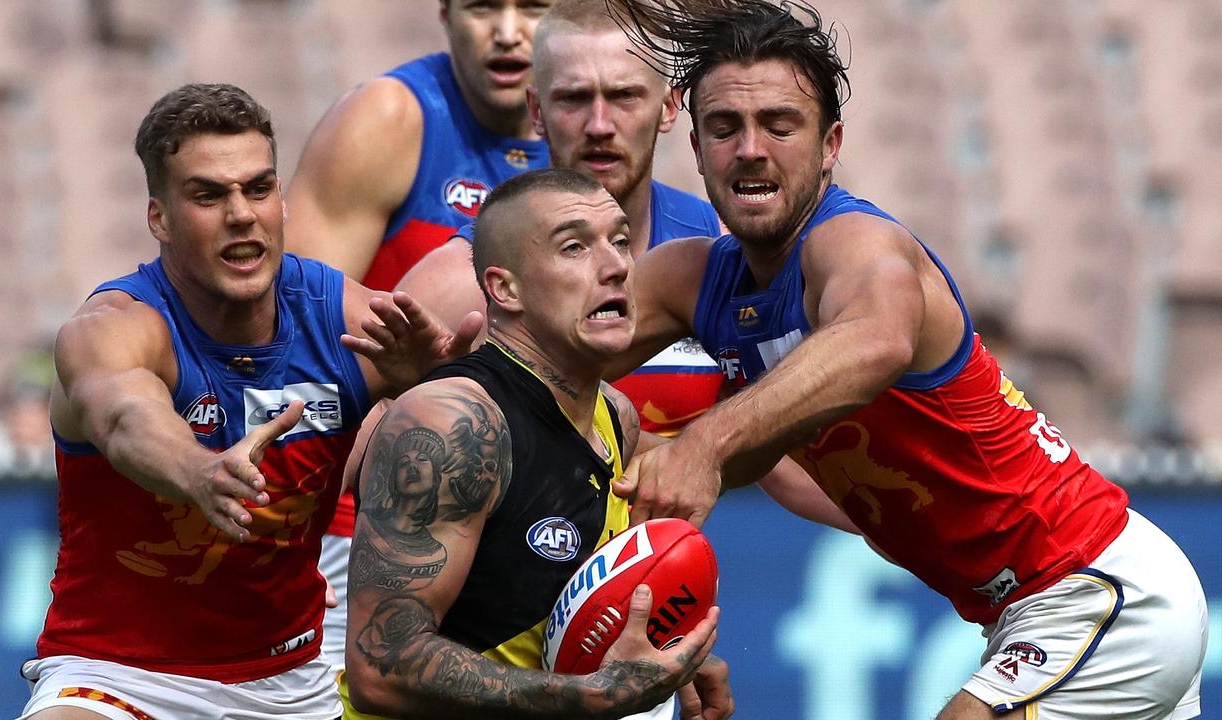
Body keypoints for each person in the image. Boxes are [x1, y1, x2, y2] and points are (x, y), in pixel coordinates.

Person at [594, 1, 1209, 718]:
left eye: (780, 126)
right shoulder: (693, 278)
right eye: (725, 129)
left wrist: (704, 443)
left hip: (1097, 592)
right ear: (696, 150)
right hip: (1043, 609)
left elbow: (875, 340)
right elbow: (550, 357)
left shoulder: (855, 245)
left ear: (830, 145)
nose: (750, 149)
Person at [18, 83, 474, 720]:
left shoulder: (341, 315)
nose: (241, 214)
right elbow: (124, 417)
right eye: (209, 195)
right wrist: (201, 470)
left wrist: (427, 390)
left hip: (291, 682)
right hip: (121, 679)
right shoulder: (114, 328)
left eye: (258, 189)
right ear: (159, 218)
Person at [394, 0, 855, 532]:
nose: (599, 124)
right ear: (537, 110)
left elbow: (787, 462)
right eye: (573, 99)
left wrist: (924, 541)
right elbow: (369, 451)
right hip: (504, 611)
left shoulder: (726, 259)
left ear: (668, 106)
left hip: (657, 605)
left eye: (623, 96)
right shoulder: (460, 281)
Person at [341, 168, 731, 720]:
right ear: (505, 288)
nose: (618, 265)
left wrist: (669, 659)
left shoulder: (615, 417)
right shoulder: (454, 422)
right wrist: (592, 698)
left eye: (621, 241)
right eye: (574, 247)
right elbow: (380, 669)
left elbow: (564, 609)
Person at [285, 0, 553, 668]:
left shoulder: (599, 131)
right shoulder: (392, 119)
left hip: (525, 538)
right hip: (372, 532)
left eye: (536, 7)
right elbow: (290, 338)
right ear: (444, 12)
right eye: (484, 6)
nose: (508, 30)